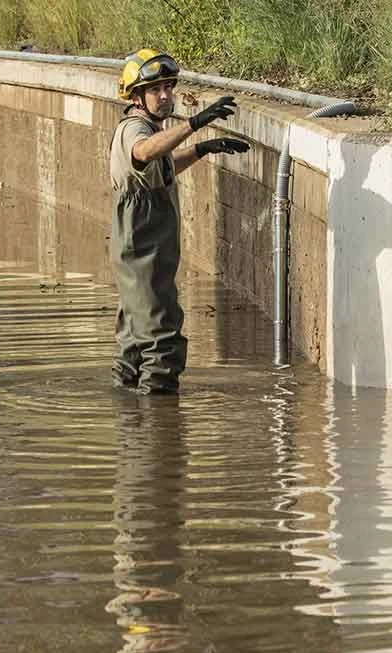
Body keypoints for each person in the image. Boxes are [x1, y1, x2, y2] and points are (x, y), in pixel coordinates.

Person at [109, 48, 250, 394]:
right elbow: (144, 152)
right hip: (143, 247)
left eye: (169, 87)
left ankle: (131, 425)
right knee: (162, 341)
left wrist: (203, 149)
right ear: (136, 96)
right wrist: (195, 123)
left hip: (140, 245)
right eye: (156, 89)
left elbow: (159, 169)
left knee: (135, 345)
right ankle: (162, 438)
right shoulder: (133, 129)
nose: (165, 95)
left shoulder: (147, 129)